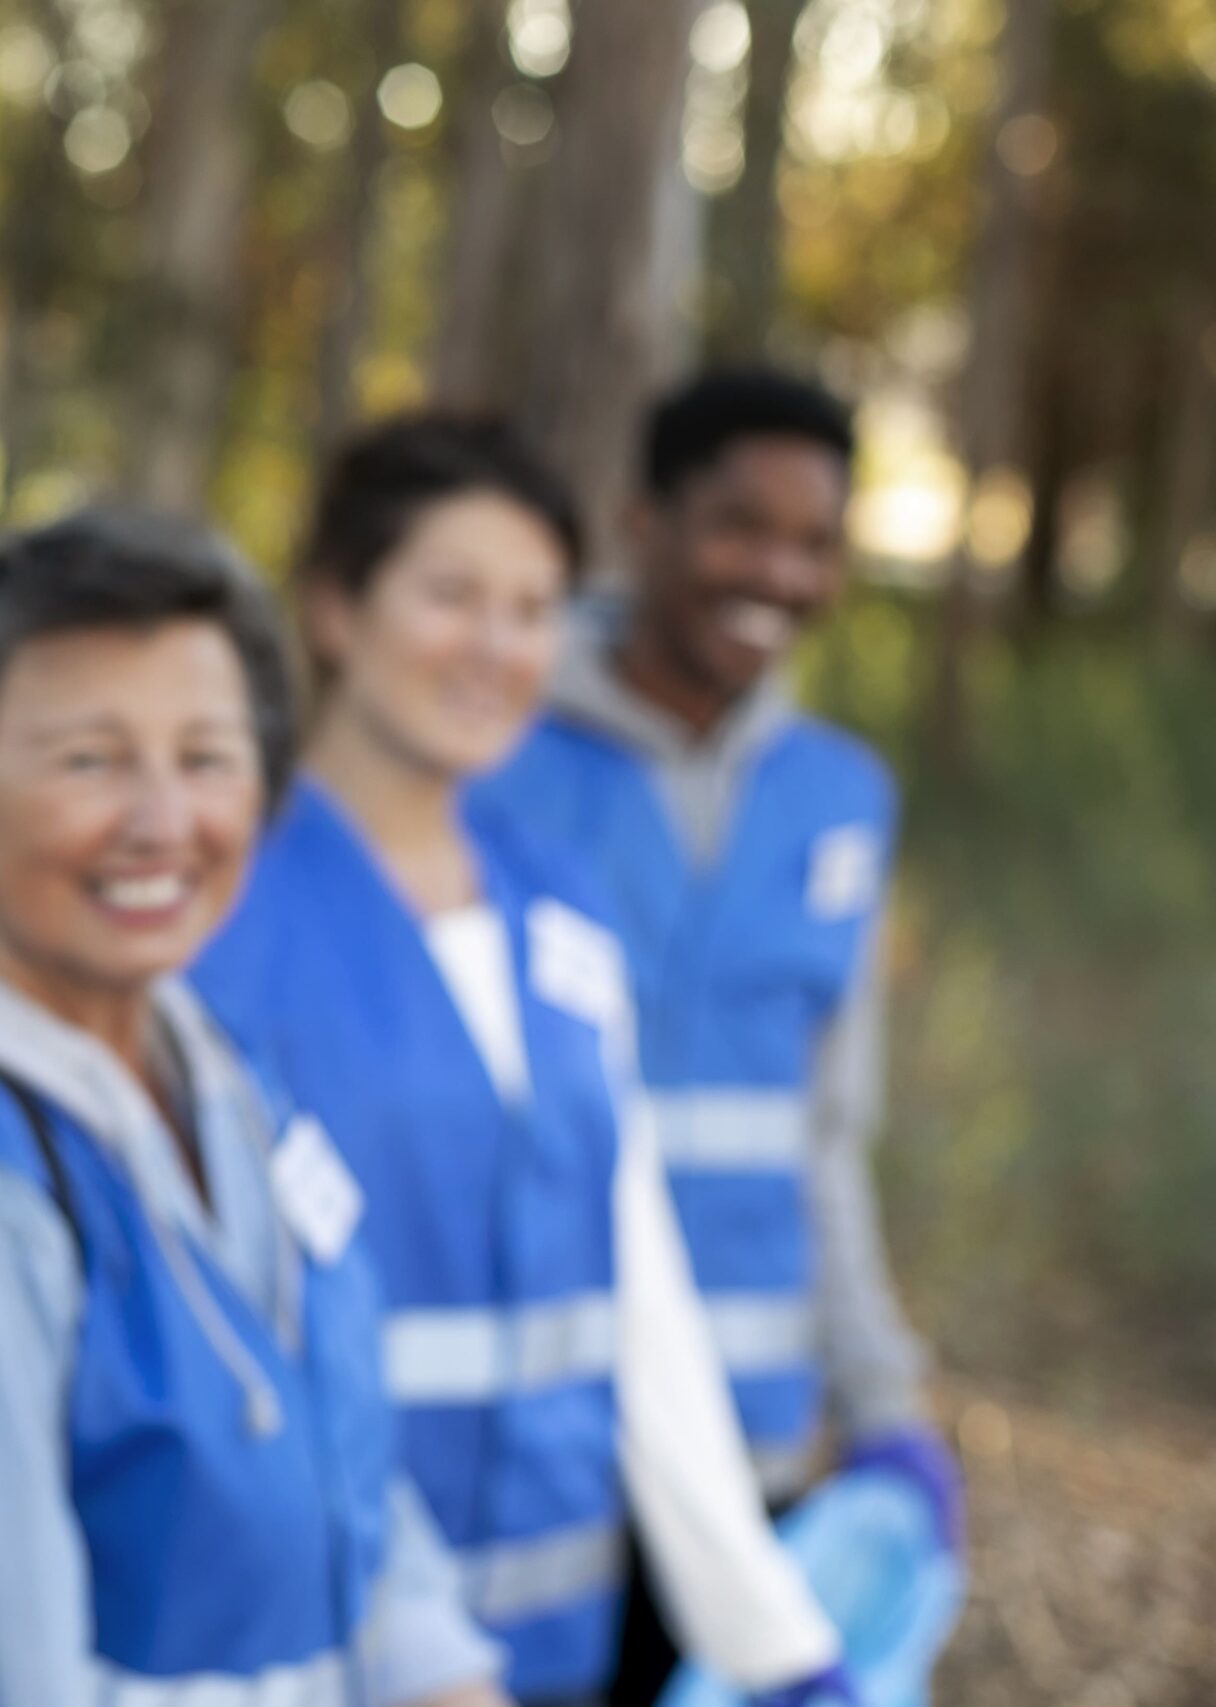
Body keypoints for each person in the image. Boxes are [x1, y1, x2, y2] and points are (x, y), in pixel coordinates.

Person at [0, 512, 510, 1707]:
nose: (162, 822)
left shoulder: (219, 1075)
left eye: (206, 758)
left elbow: (336, 1467)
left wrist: (444, 1677)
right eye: (88, 760)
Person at [194, 416, 851, 1707]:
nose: (498, 648)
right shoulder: (214, 915)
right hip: (313, 1646)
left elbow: (641, 1294)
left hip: (561, 1645)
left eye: (534, 608)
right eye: (453, 596)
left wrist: (770, 1638)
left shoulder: (561, 906)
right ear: (335, 605)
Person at [472, 371, 960, 1698]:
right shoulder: (494, 754)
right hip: (542, 1447)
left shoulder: (843, 796)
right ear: (645, 523)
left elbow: (826, 1138)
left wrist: (886, 1402)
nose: (779, 572)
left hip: (760, 1451)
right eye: (740, 524)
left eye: (815, 542)